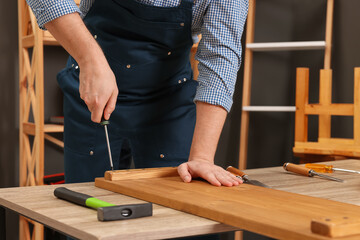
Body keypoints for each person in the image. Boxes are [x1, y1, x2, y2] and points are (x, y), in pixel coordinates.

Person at [26, 0, 248, 186]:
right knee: (86, 212)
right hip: (92, 97)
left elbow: (221, 56)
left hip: (169, 101)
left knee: (181, 207)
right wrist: (89, 59)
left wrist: (202, 157)